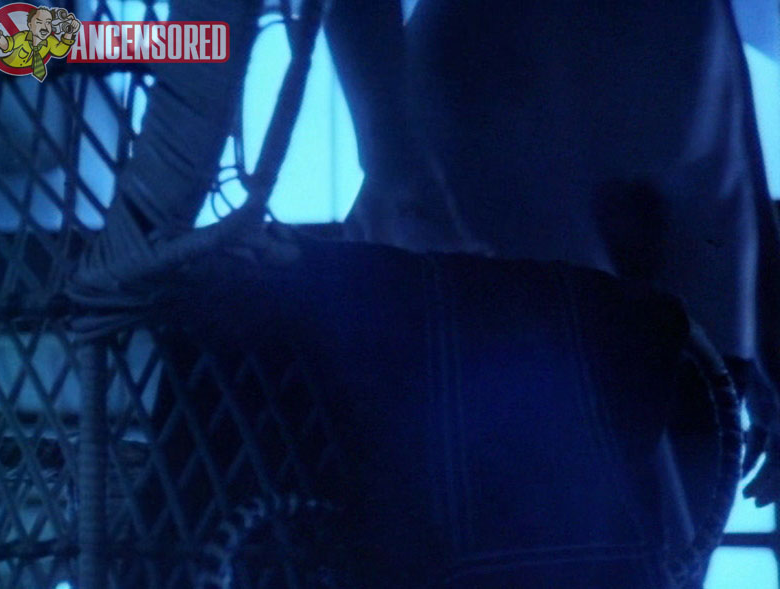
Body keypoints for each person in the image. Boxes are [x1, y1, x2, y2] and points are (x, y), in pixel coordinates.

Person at [329, 0, 780, 508]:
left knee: (670, 493)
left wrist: (768, 302)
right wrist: (392, 157)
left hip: (687, 140)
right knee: (517, 502)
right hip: (501, 143)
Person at [0, 6, 80, 81]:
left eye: (48, 23)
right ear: (30, 25)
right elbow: (7, 45)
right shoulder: (22, 37)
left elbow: (60, 50)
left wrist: (70, 32)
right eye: (39, 23)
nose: (44, 27)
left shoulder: (50, 41)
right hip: (5, 66)